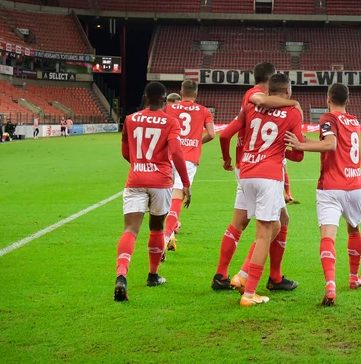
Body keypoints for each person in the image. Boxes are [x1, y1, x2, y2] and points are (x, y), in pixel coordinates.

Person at [211, 62, 302, 292]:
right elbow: (298, 153)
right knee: (273, 225)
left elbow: (226, 135)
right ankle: (254, 278)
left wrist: (227, 159)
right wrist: (293, 103)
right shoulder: (255, 96)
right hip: (266, 169)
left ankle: (222, 274)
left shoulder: (252, 104)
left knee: (242, 222)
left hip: (246, 166)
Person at [285, 83, 361, 306]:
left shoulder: (328, 118)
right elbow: (332, 144)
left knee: (328, 237)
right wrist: (302, 140)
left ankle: (330, 286)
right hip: (355, 185)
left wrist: (300, 146)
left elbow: (330, 145)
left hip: (331, 186)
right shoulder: (354, 121)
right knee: (354, 229)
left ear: (328, 98)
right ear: (347, 100)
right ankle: (354, 278)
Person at [114, 82, 191, 302]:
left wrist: (140, 165)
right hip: (161, 181)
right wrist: (185, 183)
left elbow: (125, 152)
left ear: (145, 98)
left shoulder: (130, 119)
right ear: (165, 100)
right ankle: (153, 275)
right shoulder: (170, 122)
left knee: (130, 229)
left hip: (135, 179)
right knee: (157, 228)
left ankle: (121, 275)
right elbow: (176, 152)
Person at [163, 80, 216, 254]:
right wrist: (196, 142)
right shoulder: (204, 110)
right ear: (196, 94)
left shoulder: (169, 108)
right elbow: (212, 134)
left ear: (181, 92)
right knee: (178, 195)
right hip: (189, 158)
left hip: (169, 155)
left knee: (166, 195)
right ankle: (166, 236)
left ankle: (170, 234)